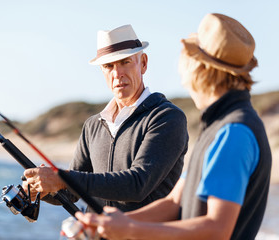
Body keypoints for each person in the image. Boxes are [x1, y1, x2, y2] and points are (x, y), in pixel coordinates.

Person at [75, 13, 272, 240]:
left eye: (187, 58)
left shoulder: (234, 132)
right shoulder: (219, 126)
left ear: (201, 70)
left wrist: (129, 230)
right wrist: (107, 225)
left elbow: (217, 230)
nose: (181, 72)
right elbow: (175, 202)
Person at [23, 24, 188, 212]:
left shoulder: (167, 117)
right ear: (102, 70)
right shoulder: (93, 125)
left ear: (143, 63)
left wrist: (62, 178)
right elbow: (71, 193)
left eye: (125, 61)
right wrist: (41, 187)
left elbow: (138, 185)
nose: (117, 74)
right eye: (109, 66)